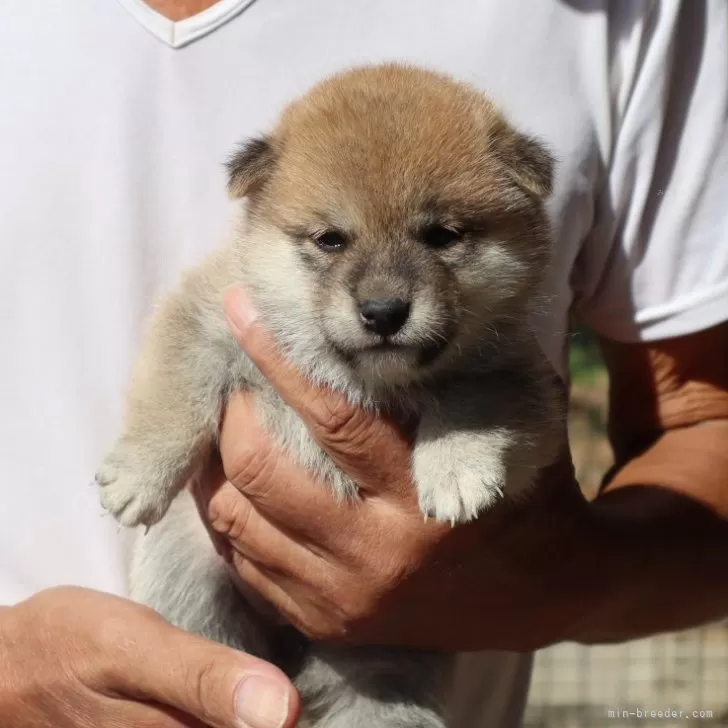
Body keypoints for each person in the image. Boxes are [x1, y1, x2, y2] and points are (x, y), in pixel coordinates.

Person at [1, 1, 727, 726]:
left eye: (442, 237)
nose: (382, 295)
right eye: (328, 242)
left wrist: (551, 579)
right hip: (194, 579)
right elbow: (191, 336)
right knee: (184, 572)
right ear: (262, 215)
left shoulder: (630, 20)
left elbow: (654, 413)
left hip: (394, 655)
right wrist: (159, 446)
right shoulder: (244, 293)